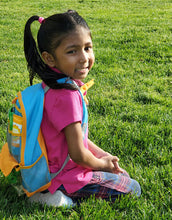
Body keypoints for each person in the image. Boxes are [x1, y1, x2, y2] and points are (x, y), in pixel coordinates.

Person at [24, 10, 141, 207]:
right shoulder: (66, 96)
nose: (84, 58)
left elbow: (77, 138)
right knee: (132, 188)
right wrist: (102, 164)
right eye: (72, 51)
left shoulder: (52, 85)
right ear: (49, 58)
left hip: (47, 168)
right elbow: (78, 153)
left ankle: (47, 190)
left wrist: (102, 155)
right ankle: (52, 198)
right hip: (61, 175)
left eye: (87, 48)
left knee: (116, 173)